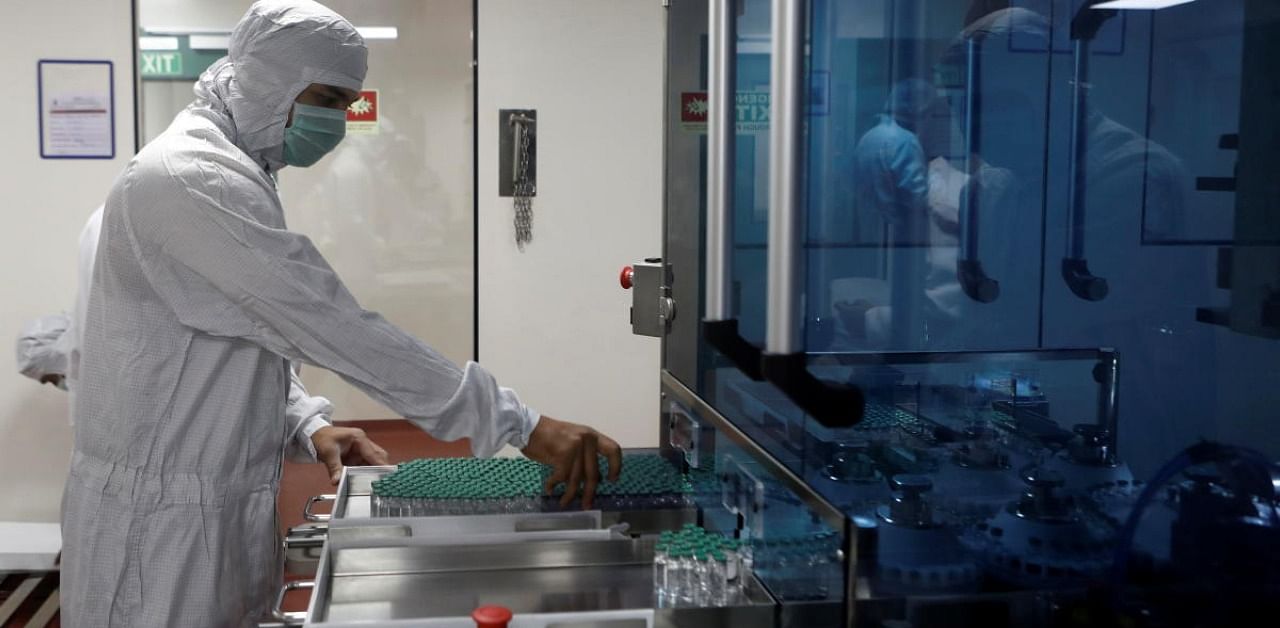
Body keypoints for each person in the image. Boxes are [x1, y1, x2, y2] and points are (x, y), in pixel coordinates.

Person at [60, 1, 622, 626]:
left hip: (214, 507)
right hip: (156, 526)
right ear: (269, 80)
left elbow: (242, 335)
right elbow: (328, 323)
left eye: (345, 104)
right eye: (325, 97)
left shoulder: (237, 169)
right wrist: (522, 423)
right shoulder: (192, 178)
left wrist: (305, 422)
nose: (335, 120)